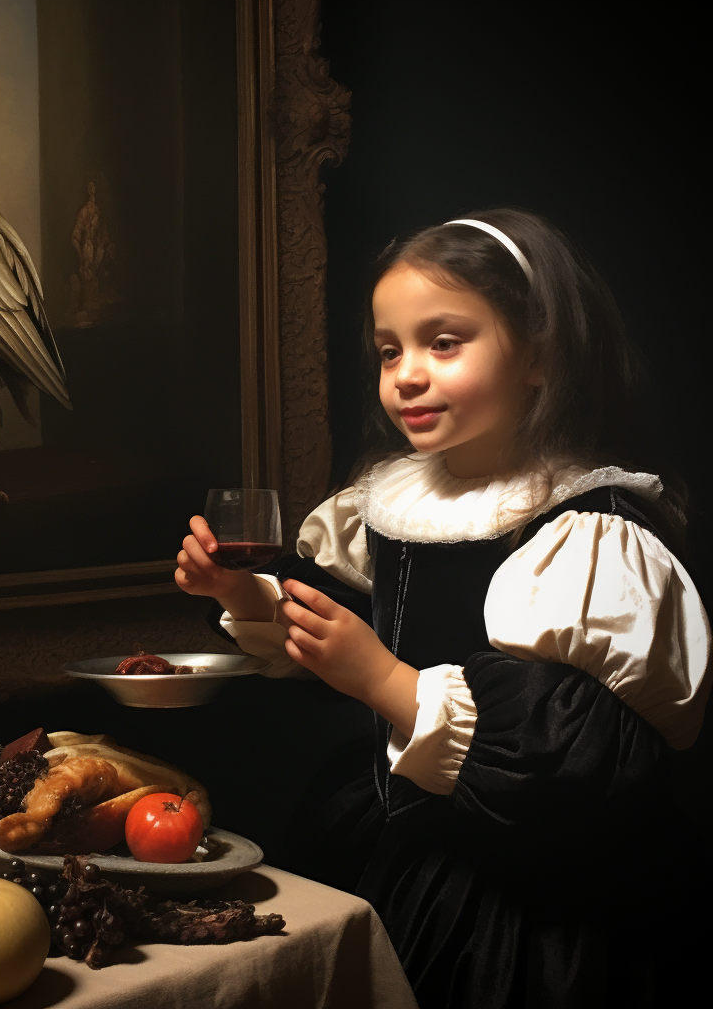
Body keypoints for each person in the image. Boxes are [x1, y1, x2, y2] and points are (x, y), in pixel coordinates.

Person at [175, 208, 711, 1008]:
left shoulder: (591, 532)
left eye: (444, 342)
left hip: (537, 901)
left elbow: (574, 755)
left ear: (539, 354)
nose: (407, 374)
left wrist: (384, 678)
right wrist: (242, 592)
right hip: (401, 842)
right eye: (391, 350)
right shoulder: (395, 502)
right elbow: (353, 638)